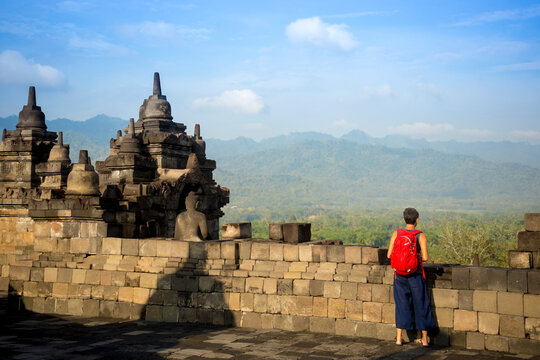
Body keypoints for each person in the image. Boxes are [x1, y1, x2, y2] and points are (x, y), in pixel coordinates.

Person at [387, 207, 434, 346]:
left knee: (401, 305)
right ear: (417, 220)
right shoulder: (420, 235)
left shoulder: (397, 233)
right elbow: (425, 257)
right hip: (415, 275)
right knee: (421, 304)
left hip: (399, 276)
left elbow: (389, 255)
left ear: (404, 219)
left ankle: (399, 338)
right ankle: (425, 339)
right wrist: (414, 257)